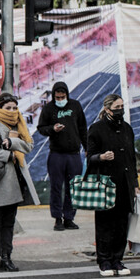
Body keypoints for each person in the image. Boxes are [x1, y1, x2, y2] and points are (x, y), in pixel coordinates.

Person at [0, 93, 40, 273]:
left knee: (9, 223)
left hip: (15, 180)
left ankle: (6, 258)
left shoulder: (18, 123)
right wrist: (8, 154)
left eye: (15, 107)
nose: (13, 111)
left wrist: (13, 142)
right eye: (8, 108)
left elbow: (29, 145)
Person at [87, 94, 139, 277]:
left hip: (125, 183)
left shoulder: (127, 129)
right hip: (105, 183)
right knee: (105, 223)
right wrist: (101, 157)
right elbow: (89, 157)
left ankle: (118, 259)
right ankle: (104, 260)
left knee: (122, 223)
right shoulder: (96, 129)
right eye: (117, 107)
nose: (120, 110)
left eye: (122, 106)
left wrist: (135, 183)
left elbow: (132, 158)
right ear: (107, 109)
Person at [37, 81, 87, 231]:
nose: (60, 100)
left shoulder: (75, 106)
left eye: (62, 97)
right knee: (56, 187)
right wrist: (52, 128)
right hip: (56, 155)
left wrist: (87, 147)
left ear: (67, 94)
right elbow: (41, 128)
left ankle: (69, 218)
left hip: (74, 154)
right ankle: (57, 218)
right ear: (53, 96)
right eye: (57, 97)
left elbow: (82, 127)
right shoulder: (48, 108)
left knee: (73, 187)